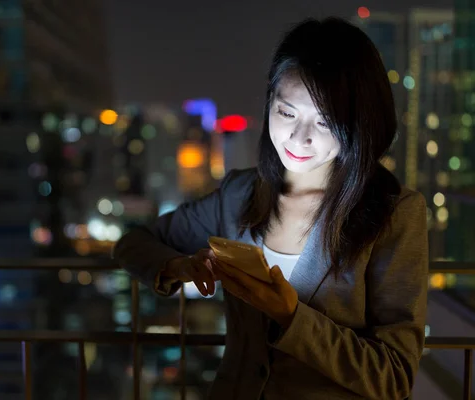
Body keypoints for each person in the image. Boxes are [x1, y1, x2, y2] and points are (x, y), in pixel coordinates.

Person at [113, 17, 428, 400]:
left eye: (325, 122)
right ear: (269, 105)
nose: (299, 137)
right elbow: (133, 242)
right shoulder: (239, 195)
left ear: (359, 125)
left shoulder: (394, 214)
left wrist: (292, 317)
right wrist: (179, 267)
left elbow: (393, 377)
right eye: (287, 113)